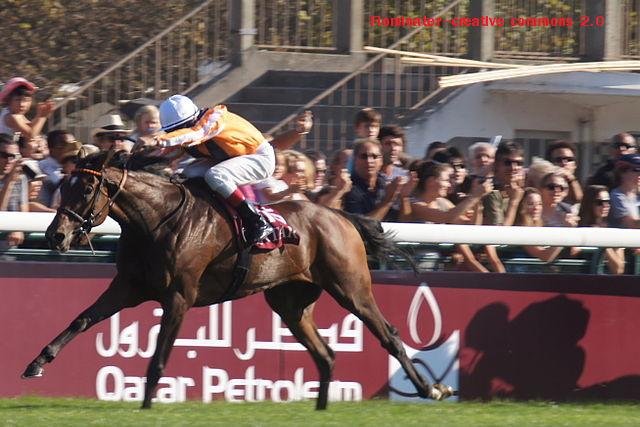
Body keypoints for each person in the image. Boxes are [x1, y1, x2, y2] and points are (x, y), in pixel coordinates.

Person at [155, 94, 275, 245]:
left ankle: (256, 221)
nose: (178, 132)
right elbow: (168, 153)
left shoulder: (214, 118)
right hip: (230, 159)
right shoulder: (191, 128)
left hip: (259, 158)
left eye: (181, 128)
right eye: (173, 130)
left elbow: (195, 133)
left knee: (216, 175)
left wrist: (157, 140)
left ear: (194, 118)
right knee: (187, 174)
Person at [343, 138, 407, 221]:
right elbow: (362, 225)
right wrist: (388, 200)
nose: (369, 161)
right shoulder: (348, 188)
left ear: (381, 161)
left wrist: (404, 197)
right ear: (355, 160)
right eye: (364, 156)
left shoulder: (387, 185)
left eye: (374, 156)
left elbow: (405, 221)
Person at [578, 185, 624, 274]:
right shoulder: (577, 228)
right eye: (600, 202)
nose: (605, 206)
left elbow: (618, 269)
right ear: (589, 203)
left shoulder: (613, 231)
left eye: (608, 202)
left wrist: (602, 241)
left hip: (604, 279)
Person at [514, 188, 564, 263]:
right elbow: (544, 256)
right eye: (530, 204)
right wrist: (566, 234)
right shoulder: (521, 230)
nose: (536, 208)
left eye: (539, 204)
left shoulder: (543, 227)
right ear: (522, 207)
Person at [38, 130, 82, 207]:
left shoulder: (77, 168)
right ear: (52, 148)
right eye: (67, 144)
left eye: (74, 143)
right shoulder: (40, 167)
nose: (72, 147)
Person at [0, 134, 28, 248]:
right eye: (4, 155)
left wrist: (18, 228)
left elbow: (23, 210)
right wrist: (10, 182)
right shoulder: (13, 179)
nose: (9, 160)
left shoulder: (21, 179)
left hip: (10, 247)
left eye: (13, 156)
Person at [608, 153, 640, 229]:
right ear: (623, 172)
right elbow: (631, 225)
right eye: (637, 170)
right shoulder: (617, 195)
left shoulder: (637, 195)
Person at [545, 140, 582, 204]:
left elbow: (580, 202)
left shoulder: (578, 186)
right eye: (559, 160)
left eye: (569, 159)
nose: (564, 163)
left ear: (575, 165)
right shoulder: (543, 186)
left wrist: (571, 179)